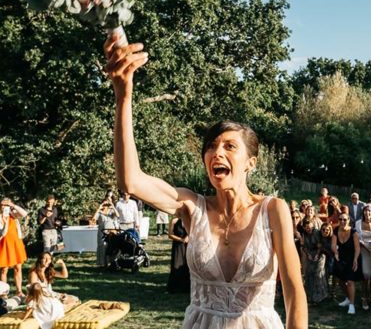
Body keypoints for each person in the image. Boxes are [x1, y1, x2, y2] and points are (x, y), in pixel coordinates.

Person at [104, 35, 307, 328]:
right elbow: (131, 181)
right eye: (211, 147)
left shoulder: (273, 210)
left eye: (229, 146)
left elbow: (294, 290)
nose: (216, 153)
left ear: (250, 163)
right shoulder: (191, 206)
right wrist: (123, 95)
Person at [332, 213, 362, 314]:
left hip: (351, 259)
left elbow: (357, 248)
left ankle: (352, 305)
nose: (342, 221)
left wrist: (355, 259)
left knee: (350, 282)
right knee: (341, 281)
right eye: (340, 219)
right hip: (340, 258)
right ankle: (348, 298)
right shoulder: (336, 230)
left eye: (345, 219)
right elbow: (333, 245)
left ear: (349, 220)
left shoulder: (354, 232)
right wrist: (335, 252)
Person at [0, 197, 28, 297]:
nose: (5, 207)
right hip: (4, 244)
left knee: (18, 267)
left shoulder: (13, 214)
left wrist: (13, 205)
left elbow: (24, 214)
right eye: (3, 204)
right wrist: (5, 221)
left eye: (7, 205)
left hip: (16, 243)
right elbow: (3, 233)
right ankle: (3, 293)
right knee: (4, 269)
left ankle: (19, 291)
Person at [355, 204, 371, 310]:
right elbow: (357, 238)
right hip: (363, 250)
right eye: (365, 210)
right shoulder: (358, 223)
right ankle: (364, 298)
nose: (367, 212)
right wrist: (366, 247)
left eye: (369, 211)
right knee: (366, 275)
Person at [300, 218, 328, 304]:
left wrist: (317, 255)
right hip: (310, 254)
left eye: (310, 227)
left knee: (318, 274)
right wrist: (308, 254)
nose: (309, 229)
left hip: (319, 254)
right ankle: (310, 296)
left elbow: (320, 245)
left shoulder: (316, 233)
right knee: (309, 274)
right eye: (307, 228)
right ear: (304, 227)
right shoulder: (303, 234)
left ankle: (321, 296)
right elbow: (304, 246)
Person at [92, 198, 120, 267]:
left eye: (107, 203)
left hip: (111, 231)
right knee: (102, 246)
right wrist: (99, 208)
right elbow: (94, 219)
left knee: (110, 246)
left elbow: (118, 215)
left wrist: (112, 206)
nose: (106, 205)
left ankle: (111, 262)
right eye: (104, 203)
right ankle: (102, 263)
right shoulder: (99, 211)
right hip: (102, 232)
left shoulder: (111, 211)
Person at [167, 217, 190, 293]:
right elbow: (170, 235)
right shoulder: (174, 220)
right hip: (178, 245)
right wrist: (181, 240)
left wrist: (188, 236)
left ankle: (186, 287)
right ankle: (175, 287)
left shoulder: (189, 219)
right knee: (176, 264)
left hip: (188, 245)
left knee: (187, 264)